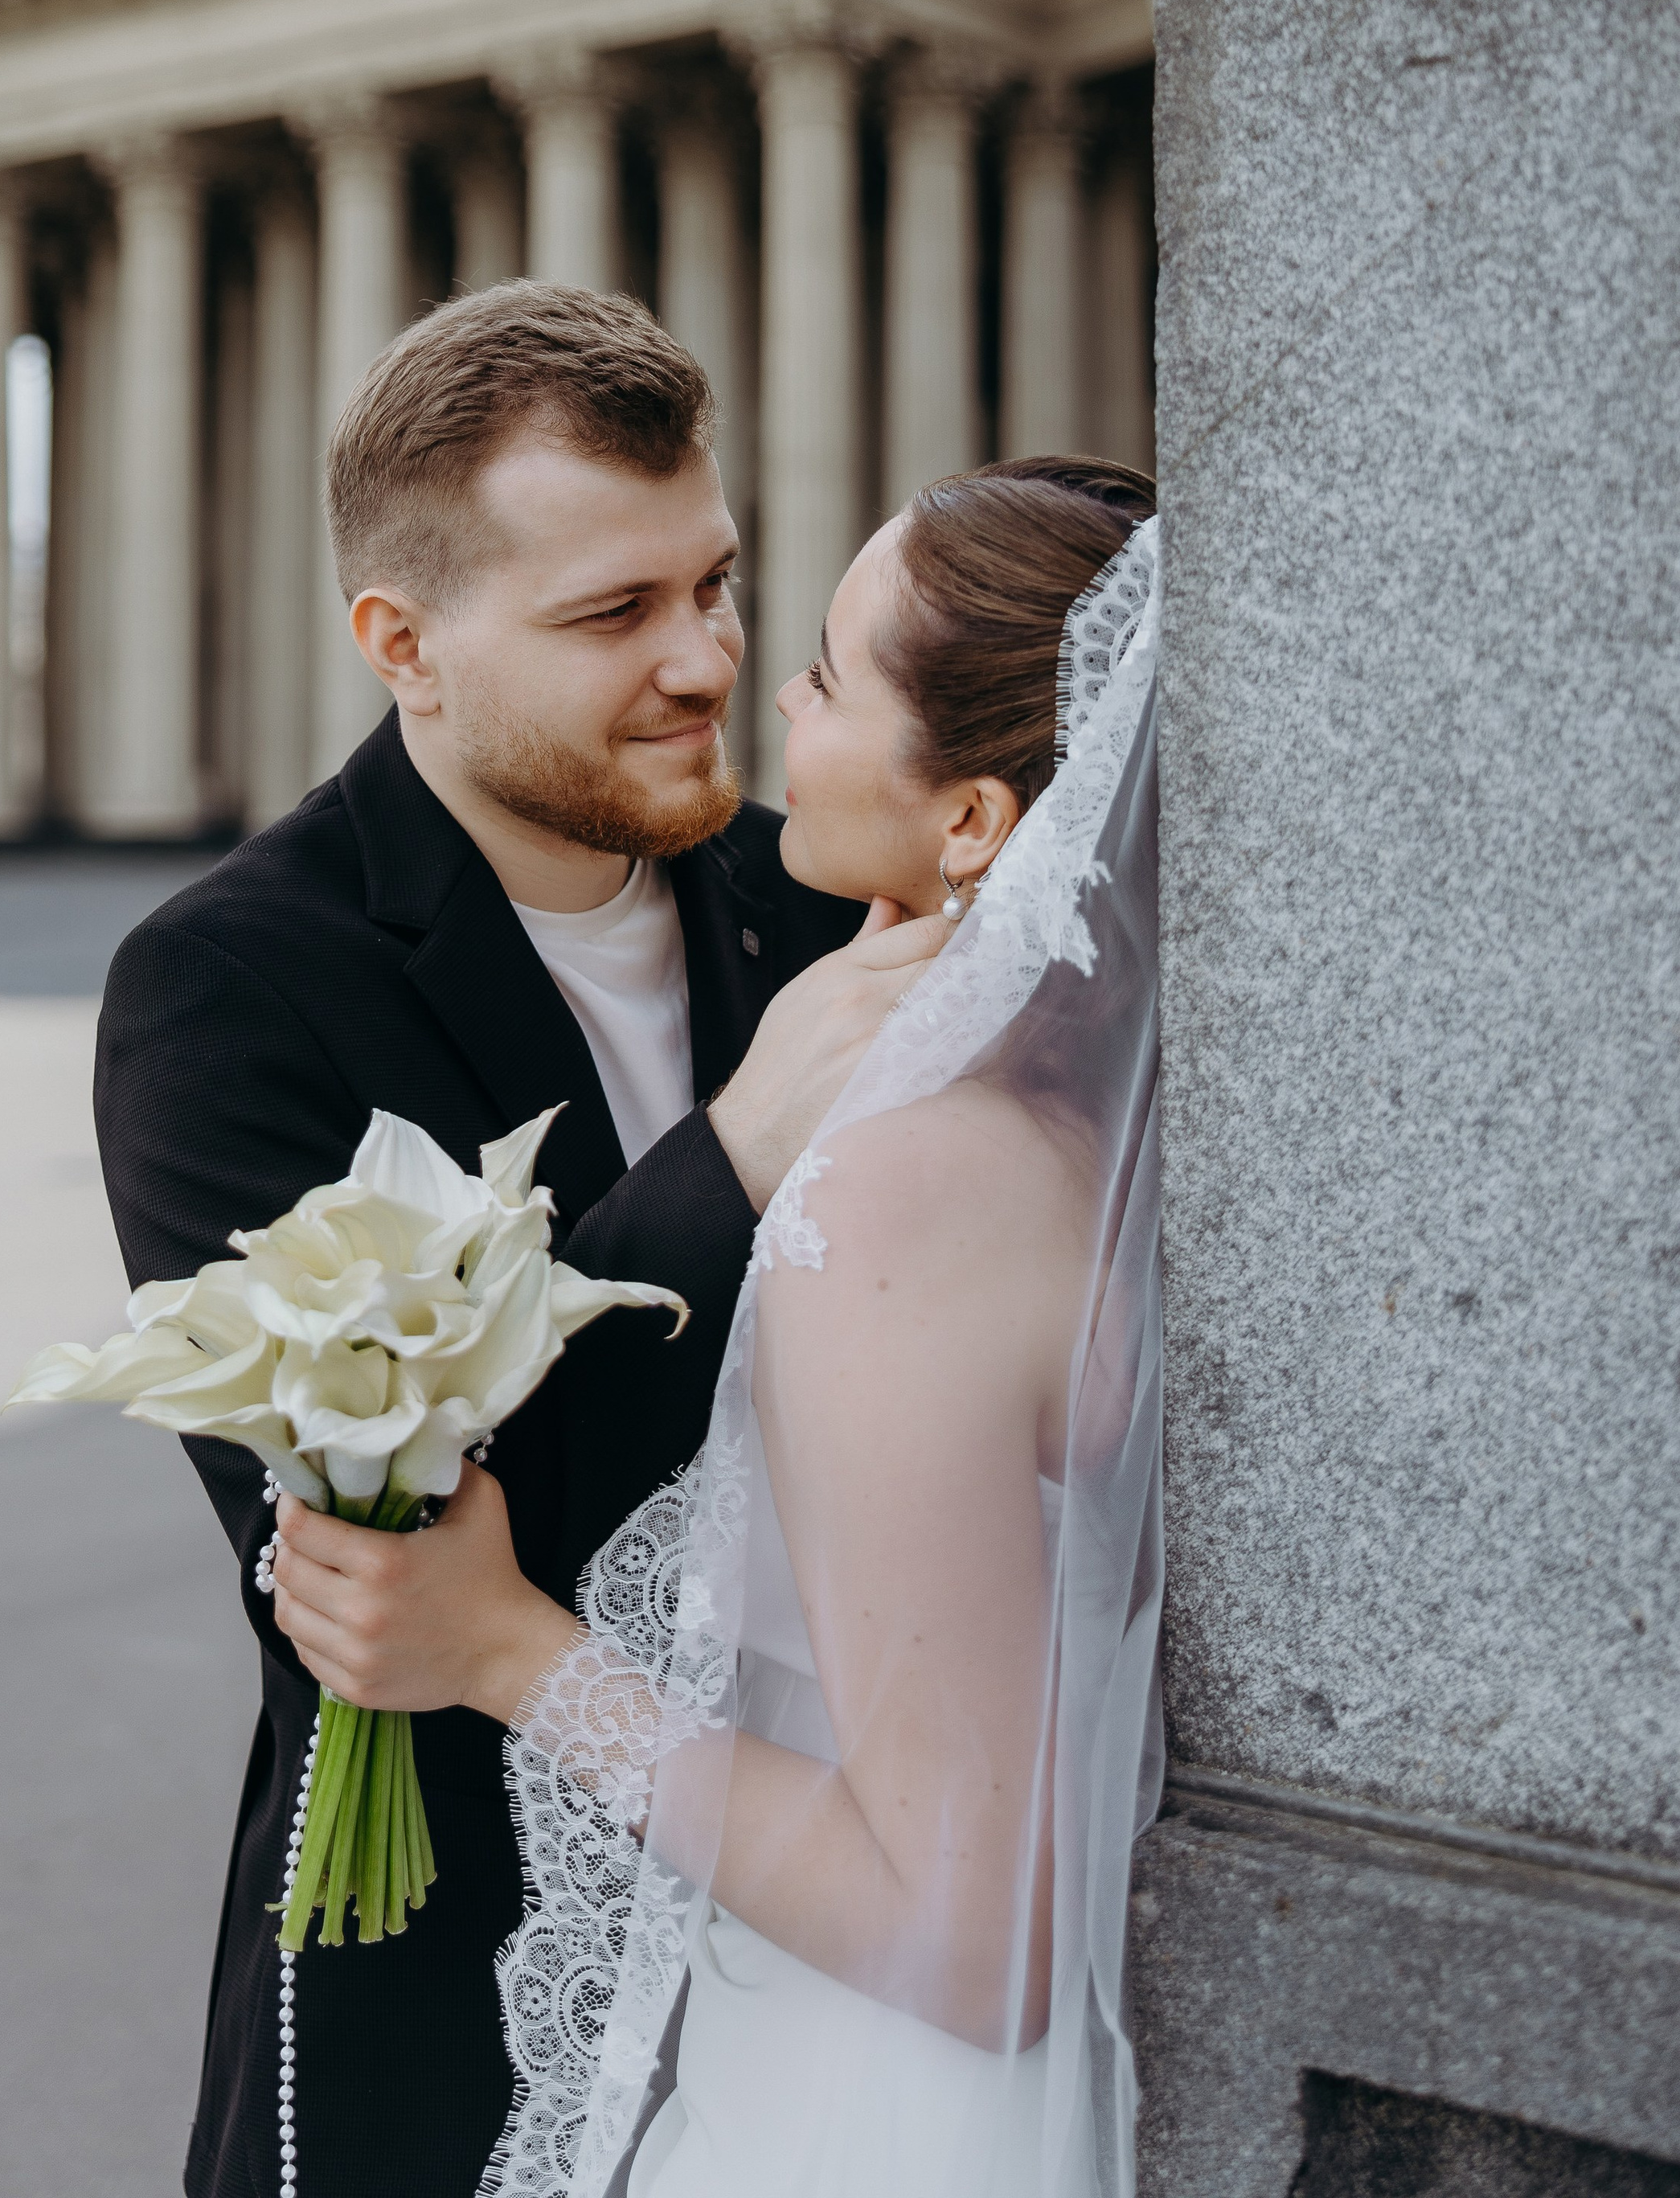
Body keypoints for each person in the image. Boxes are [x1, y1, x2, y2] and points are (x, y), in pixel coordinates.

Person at [96, 283, 949, 2198]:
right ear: (402, 644)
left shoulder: (814, 900)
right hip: (448, 1976)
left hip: (837, 1930)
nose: (704, 661)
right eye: (610, 617)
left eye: (715, 584)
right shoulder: (228, 987)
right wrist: (725, 1163)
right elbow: (365, 1573)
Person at [268, 459, 1163, 2198]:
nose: (737, 678)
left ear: (972, 821)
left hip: (883, 2084)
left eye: (817, 665)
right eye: (620, 610)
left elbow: (970, 1931)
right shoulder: (1108, 1126)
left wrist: (510, 1650)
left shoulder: (905, 1199)